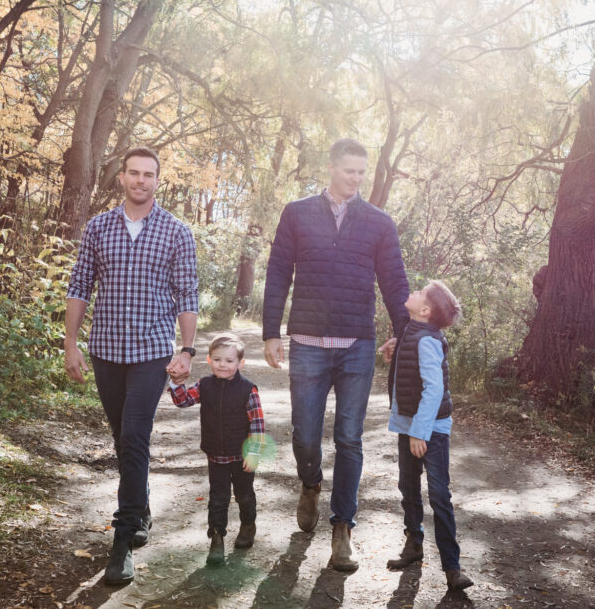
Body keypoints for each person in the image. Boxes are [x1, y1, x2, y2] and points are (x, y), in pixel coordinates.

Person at [262, 137, 409, 572]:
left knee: (349, 438)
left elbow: (395, 282)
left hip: (357, 349)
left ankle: (342, 527)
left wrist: (407, 335)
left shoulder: (379, 223)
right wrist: (272, 332)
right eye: (350, 171)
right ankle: (310, 482)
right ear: (331, 167)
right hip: (307, 343)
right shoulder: (297, 213)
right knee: (306, 435)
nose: (357, 179)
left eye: (362, 172)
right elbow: (277, 272)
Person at [64, 146, 199, 586]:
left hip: (152, 353)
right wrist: (71, 344)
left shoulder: (177, 232)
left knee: (135, 435)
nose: (141, 180)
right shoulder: (99, 227)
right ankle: (140, 509)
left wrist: (188, 349)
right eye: (134, 173)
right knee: (123, 439)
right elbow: (80, 285)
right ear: (122, 177)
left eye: (149, 175)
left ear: (158, 181)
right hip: (105, 350)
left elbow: (187, 294)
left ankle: (122, 542)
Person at [384, 280, 473, 592]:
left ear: (424, 310)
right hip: (411, 425)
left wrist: (419, 432)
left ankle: (452, 566)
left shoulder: (427, 340)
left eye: (420, 292)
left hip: (429, 430)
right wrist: (392, 353)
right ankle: (414, 545)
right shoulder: (413, 331)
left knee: (438, 495)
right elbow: (410, 370)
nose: (414, 291)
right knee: (407, 486)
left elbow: (434, 389)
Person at [167, 333, 265, 566]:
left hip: (242, 456)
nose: (223, 365)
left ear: (240, 363)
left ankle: (248, 525)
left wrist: (254, 452)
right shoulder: (205, 385)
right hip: (216, 455)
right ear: (209, 360)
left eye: (230, 361)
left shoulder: (248, 389)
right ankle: (217, 537)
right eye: (218, 359)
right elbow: (184, 401)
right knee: (218, 498)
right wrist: (176, 383)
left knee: (244, 495)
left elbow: (257, 423)